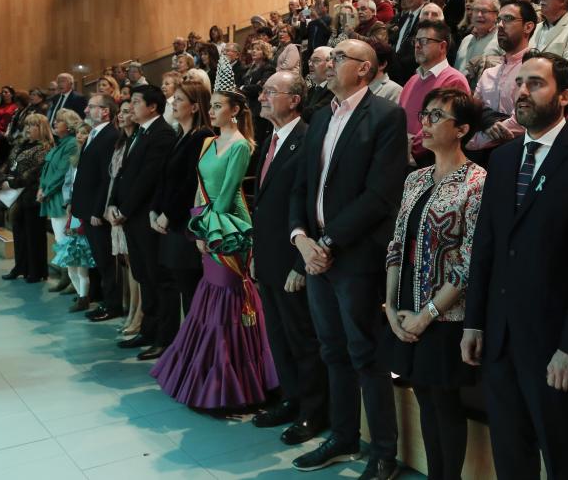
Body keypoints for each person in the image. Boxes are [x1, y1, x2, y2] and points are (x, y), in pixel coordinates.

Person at [462, 51, 568, 480]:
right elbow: (487, 246)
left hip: (553, 346)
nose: (522, 92)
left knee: (561, 454)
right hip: (499, 338)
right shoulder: (502, 158)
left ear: (566, 96)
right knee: (510, 454)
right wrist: (474, 321)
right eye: (520, 83)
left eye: (536, 84)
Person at [289, 39, 406, 478]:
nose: (330, 62)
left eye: (340, 57)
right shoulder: (319, 116)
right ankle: (342, 436)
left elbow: (379, 195)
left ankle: (383, 453)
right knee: (331, 349)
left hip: (354, 255)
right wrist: (301, 238)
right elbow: (300, 186)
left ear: (364, 69)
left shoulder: (386, 116)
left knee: (365, 354)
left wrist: (330, 242)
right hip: (316, 253)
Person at [152, 58, 278, 410]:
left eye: (219, 106)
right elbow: (199, 187)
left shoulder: (241, 145)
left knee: (228, 298)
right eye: (212, 106)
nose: (214, 111)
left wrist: (209, 231)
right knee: (208, 297)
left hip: (230, 228)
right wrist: (197, 228)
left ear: (235, 110)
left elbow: (226, 196)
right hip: (206, 224)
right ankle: (204, 373)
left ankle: (235, 379)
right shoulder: (208, 144)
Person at [383, 88, 485, 480]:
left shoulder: (477, 182)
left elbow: (469, 262)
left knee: (444, 402)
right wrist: (391, 308)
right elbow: (397, 245)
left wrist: (427, 315)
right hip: (407, 307)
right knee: (424, 397)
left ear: (461, 129)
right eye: (424, 115)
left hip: (445, 315)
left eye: (436, 116)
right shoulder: (415, 179)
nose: (424, 123)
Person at [251, 71, 329, 445]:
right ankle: (291, 397)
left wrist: (301, 264)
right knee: (279, 336)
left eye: (271, 92)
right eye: (263, 91)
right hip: (268, 257)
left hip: (293, 259)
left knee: (301, 337)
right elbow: (263, 205)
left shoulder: (308, 138)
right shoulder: (270, 139)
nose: (262, 97)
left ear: (295, 99)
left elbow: (308, 203)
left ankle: (313, 411)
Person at [107, 85, 178, 358]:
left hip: (145, 216)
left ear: (153, 107)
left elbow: (148, 178)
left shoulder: (161, 134)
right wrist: (113, 204)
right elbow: (123, 173)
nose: (132, 107)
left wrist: (124, 209)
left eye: (136, 102)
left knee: (157, 278)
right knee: (142, 275)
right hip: (131, 216)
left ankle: (165, 337)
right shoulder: (139, 132)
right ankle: (148, 329)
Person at [150, 81, 214, 324]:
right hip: (173, 222)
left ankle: (197, 353)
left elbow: (191, 183)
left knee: (192, 291)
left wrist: (168, 213)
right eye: (173, 99)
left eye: (179, 99)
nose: (173, 103)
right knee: (181, 287)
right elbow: (165, 177)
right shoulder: (181, 135)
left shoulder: (203, 136)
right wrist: (155, 210)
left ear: (196, 107)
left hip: (186, 223)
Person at [71, 94, 122, 321]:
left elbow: (106, 178)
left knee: (105, 260)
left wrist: (96, 210)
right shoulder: (94, 134)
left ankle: (112, 305)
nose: (86, 110)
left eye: (92, 107)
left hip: (96, 211)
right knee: (99, 260)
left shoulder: (110, 135)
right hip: (85, 207)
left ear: (105, 111)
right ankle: (103, 300)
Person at [467, 0, 536, 154]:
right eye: (499, 19)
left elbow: (521, 122)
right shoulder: (488, 73)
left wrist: (473, 141)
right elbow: (472, 111)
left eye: (509, 19)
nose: (500, 25)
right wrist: (486, 121)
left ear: (528, 27)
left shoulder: (535, 70)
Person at [400, 20, 470, 167]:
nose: (417, 46)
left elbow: (446, 127)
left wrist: (409, 148)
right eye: (416, 41)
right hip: (403, 160)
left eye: (424, 41)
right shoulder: (412, 80)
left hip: (432, 162)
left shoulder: (454, 80)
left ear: (442, 46)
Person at [0, 114, 52, 283]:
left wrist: (11, 183)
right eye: (26, 125)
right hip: (15, 196)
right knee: (18, 234)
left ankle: (36, 271)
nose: (27, 129)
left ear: (41, 128)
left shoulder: (45, 148)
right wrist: (1, 179)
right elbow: (8, 164)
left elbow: (34, 173)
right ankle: (20, 267)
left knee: (34, 235)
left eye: (32, 125)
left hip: (32, 195)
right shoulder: (21, 144)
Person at [102, 100, 143, 335]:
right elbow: (113, 179)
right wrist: (110, 206)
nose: (122, 115)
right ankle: (131, 309)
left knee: (136, 265)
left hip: (129, 212)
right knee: (127, 264)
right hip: (115, 207)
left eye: (128, 111)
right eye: (121, 111)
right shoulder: (121, 142)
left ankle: (139, 313)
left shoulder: (137, 141)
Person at [52, 121, 96, 312]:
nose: (80, 136)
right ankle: (80, 294)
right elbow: (68, 184)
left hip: (85, 212)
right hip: (73, 210)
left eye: (85, 133)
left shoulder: (91, 157)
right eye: (78, 133)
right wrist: (68, 202)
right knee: (71, 262)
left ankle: (84, 296)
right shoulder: (75, 159)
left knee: (81, 261)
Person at [38, 108, 82, 285]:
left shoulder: (71, 143)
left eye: (59, 120)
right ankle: (67, 278)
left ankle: (72, 281)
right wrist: (41, 187)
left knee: (66, 241)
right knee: (60, 240)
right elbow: (47, 169)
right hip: (51, 196)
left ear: (69, 126)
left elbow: (62, 172)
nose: (54, 123)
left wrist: (46, 190)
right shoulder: (60, 143)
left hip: (60, 198)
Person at [453, 0, 503, 88]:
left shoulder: (501, 41)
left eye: (484, 11)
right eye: (476, 10)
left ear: (496, 14)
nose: (479, 15)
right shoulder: (465, 40)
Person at [302, 46, 334, 123]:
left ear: (330, 63)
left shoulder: (334, 90)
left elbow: (313, 114)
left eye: (316, 61)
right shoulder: (312, 90)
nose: (310, 64)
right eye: (309, 61)